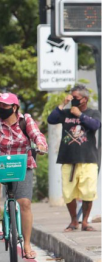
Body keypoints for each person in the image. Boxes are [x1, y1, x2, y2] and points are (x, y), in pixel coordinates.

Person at [0, 92, 47, 257]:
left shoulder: (25, 120)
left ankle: (27, 245)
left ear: (14, 107)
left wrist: (41, 145)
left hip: (22, 163)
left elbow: (37, 135)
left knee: (25, 203)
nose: (1, 109)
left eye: (5, 106)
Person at [47, 84, 101, 232]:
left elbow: (95, 125)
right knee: (68, 193)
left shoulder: (93, 112)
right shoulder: (66, 113)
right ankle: (73, 221)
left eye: (75, 98)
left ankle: (85, 222)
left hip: (88, 159)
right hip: (68, 159)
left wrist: (80, 115)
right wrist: (63, 103)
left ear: (85, 99)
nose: (73, 100)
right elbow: (51, 119)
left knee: (88, 192)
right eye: (71, 97)